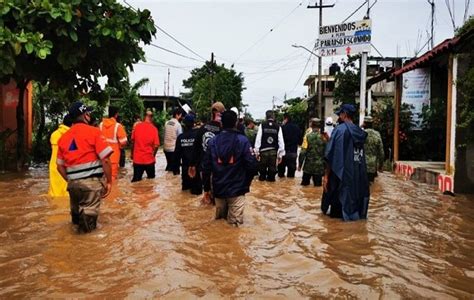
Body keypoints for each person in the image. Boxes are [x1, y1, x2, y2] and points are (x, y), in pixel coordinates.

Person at [56, 102, 113, 233]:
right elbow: (105, 159)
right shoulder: (94, 132)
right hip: (91, 186)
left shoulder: (63, 138)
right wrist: (109, 182)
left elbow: (59, 166)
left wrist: (71, 180)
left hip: (73, 186)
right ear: (86, 115)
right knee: (88, 229)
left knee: (76, 224)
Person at [202, 110, 257, 226]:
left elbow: (206, 167)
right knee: (234, 229)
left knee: (219, 225)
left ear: (221, 124)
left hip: (218, 190)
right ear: (236, 123)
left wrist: (207, 189)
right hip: (237, 190)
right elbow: (252, 166)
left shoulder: (213, 142)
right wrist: (245, 184)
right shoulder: (243, 141)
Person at [321, 104, 370, 221]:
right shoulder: (359, 132)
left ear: (344, 115)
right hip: (356, 178)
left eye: (340, 114)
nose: (339, 117)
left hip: (339, 178)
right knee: (352, 212)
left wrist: (326, 176)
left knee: (336, 218)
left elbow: (330, 155)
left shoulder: (339, 130)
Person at [189, 101, 226, 204]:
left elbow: (196, 147)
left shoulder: (202, 128)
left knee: (207, 195)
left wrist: (192, 165)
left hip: (204, 167)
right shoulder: (223, 130)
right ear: (220, 113)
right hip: (219, 168)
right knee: (218, 197)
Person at [175, 114, 202, 195]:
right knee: (196, 195)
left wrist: (175, 168)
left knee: (185, 194)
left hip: (185, 169)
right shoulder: (198, 135)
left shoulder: (180, 137)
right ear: (193, 123)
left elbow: (177, 155)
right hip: (196, 168)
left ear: (184, 124)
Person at [254, 110, 285, 182]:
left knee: (262, 173)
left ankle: (262, 190)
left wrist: (257, 152)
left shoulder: (262, 125)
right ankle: (271, 190)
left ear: (266, 116)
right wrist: (280, 155)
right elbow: (281, 141)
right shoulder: (278, 127)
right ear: (273, 116)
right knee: (272, 173)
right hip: (273, 152)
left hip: (263, 152)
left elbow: (258, 139)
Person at [99, 106, 127, 181]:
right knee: (112, 178)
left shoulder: (101, 124)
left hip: (102, 156)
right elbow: (124, 142)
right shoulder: (118, 126)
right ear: (116, 115)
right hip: (113, 157)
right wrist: (120, 147)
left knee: (103, 177)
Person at [131, 110, 160, 182]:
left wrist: (132, 154)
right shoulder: (154, 129)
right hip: (149, 159)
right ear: (152, 118)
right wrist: (153, 155)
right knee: (151, 182)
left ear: (143, 117)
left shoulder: (137, 127)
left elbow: (133, 142)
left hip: (137, 159)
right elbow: (156, 145)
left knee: (136, 183)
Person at [48, 114, 72, 197]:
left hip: (54, 166)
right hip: (65, 167)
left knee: (55, 193)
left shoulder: (54, 134)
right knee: (66, 195)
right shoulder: (71, 135)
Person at [298, 118, 326, 186]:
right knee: (317, 187)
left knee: (304, 186)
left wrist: (300, 165)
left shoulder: (307, 136)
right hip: (319, 167)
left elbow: (303, 152)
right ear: (319, 126)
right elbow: (327, 152)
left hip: (308, 167)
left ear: (311, 125)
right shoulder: (324, 137)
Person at [278, 113, 302, 178]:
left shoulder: (282, 128)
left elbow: (279, 141)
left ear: (286, 119)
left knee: (280, 175)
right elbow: (300, 142)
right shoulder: (297, 128)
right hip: (293, 154)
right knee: (291, 177)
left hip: (283, 154)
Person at [363, 116, 384, 183]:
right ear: (372, 124)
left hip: (361, 165)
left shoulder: (361, 133)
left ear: (364, 123)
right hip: (372, 167)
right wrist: (380, 166)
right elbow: (381, 152)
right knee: (371, 186)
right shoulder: (377, 134)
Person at [163, 108, 183, 175]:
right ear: (177, 115)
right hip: (173, 150)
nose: (181, 117)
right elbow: (180, 138)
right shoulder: (178, 125)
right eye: (180, 115)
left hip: (166, 149)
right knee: (175, 171)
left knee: (169, 166)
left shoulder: (166, 123)